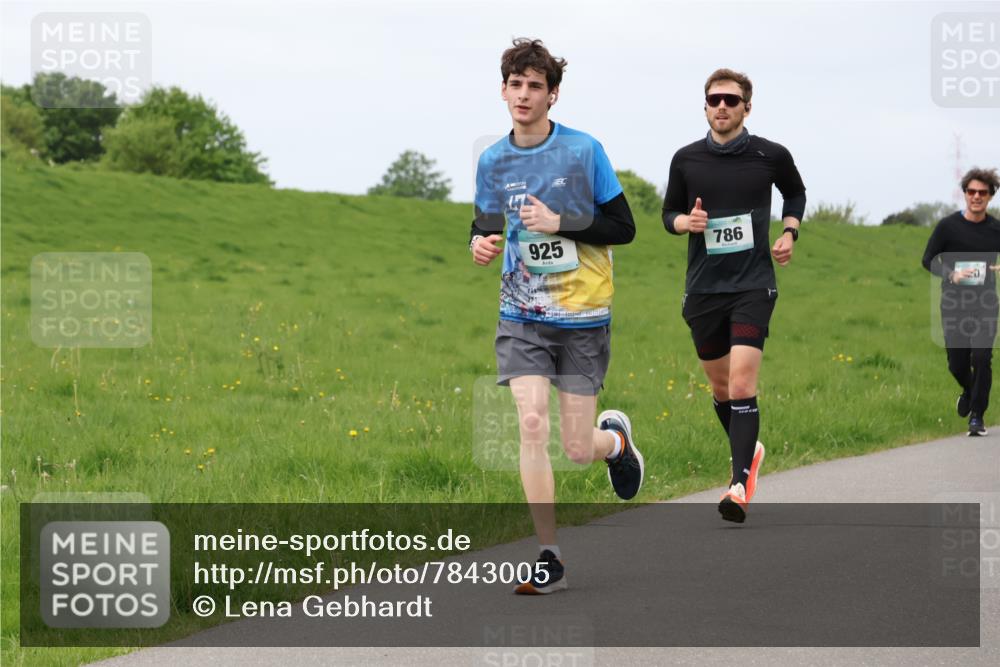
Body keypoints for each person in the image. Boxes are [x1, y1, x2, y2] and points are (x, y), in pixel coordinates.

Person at [470, 38, 641, 593]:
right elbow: (486, 222)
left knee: (575, 447)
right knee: (531, 422)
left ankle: (613, 442)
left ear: (553, 94)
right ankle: (549, 555)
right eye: (515, 84)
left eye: (534, 85)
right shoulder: (493, 160)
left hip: (583, 315)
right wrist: (479, 242)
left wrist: (560, 221)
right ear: (503, 90)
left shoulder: (585, 150)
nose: (523, 94)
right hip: (521, 313)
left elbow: (624, 228)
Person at [661, 68, 806, 523]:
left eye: (730, 99)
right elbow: (669, 212)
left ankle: (739, 484)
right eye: (713, 99)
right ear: (704, 106)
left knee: (743, 384)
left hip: (752, 285)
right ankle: (751, 449)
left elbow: (795, 191)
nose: (721, 106)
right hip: (703, 288)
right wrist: (685, 223)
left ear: (746, 106)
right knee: (722, 389)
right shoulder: (686, 159)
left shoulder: (770, 154)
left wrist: (789, 232)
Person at [922, 167, 1000, 436]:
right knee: (957, 363)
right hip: (954, 303)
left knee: (981, 357)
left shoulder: (995, 229)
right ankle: (968, 390)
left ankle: (977, 416)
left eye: (982, 192)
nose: (976, 196)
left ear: (990, 196)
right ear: (964, 194)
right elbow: (927, 259)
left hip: (986, 303)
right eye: (971, 191)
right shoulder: (948, 227)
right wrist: (952, 274)